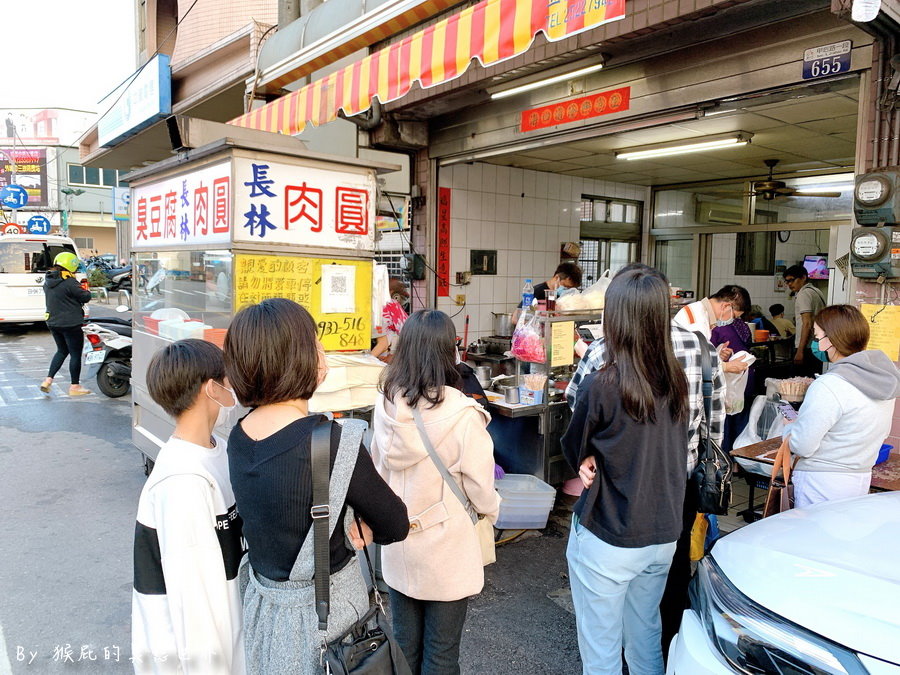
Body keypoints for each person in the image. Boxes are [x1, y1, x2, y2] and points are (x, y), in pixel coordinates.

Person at [223, 298, 409, 674]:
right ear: (297, 357)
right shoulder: (331, 443)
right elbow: (395, 524)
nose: (322, 352)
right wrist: (355, 520)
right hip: (329, 626)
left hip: (264, 609)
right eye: (315, 343)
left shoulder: (238, 436)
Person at [566, 264, 725, 658]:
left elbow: (578, 414)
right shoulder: (696, 358)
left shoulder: (604, 361)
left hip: (614, 506)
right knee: (650, 621)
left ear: (615, 311)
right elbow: (715, 431)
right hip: (672, 503)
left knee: (601, 642)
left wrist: (587, 453)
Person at [371, 309, 500, 675]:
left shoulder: (385, 406)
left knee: (405, 649)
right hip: (447, 551)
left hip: (399, 545)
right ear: (449, 351)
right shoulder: (463, 415)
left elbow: (378, 472)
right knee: (442, 656)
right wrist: (494, 511)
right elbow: (481, 489)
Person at [131, 339, 245, 673]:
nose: (232, 391)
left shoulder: (218, 450)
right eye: (228, 381)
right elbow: (193, 607)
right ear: (211, 388)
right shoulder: (181, 481)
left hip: (232, 642)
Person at [786, 305, 900, 508]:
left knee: (812, 537)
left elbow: (802, 445)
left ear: (830, 340)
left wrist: (791, 428)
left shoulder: (829, 385)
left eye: (817, 335)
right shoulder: (884, 381)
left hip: (821, 482)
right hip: (860, 478)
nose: (816, 342)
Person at [40, 251, 93, 396]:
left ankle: (48, 380)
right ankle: (74, 386)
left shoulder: (48, 281)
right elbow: (85, 296)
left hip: (52, 322)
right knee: (75, 354)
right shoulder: (69, 282)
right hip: (71, 323)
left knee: (62, 351)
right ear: (71, 265)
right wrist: (85, 290)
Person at [672, 285, 752, 375]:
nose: (731, 321)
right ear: (726, 306)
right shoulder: (698, 322)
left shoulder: (698, 310)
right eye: (733, 317)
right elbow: (693, 363)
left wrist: (717, 355)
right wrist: (725, 366)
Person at [782, 264, 826, 375]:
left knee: (799, 383)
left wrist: (800, 351)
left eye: (792, 280)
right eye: (787, 282)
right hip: (818, 344)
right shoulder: (816, 291)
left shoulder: (803, 294)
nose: (789, 284)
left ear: (803, 277)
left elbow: (807, 323)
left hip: (807, 347)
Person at [516, 261, 583, 309]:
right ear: (557, 278)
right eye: (566, 287)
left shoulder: (563, 297)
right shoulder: (537, 292)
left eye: (570, 289)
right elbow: (515, 319)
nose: (567, 291)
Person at [372, 278, 409, 363]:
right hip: (399, 353)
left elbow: (383, 344)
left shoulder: (385, 305)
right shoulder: (392, 305)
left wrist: (365, 362)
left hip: (393, 354)